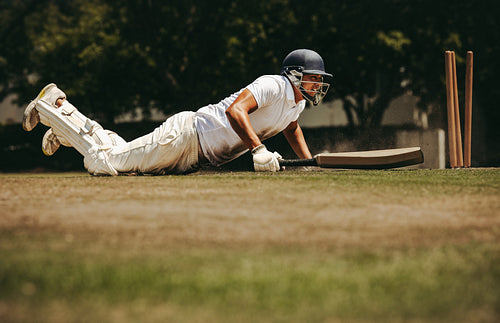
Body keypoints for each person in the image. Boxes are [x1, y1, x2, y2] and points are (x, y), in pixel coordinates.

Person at [23, 49, 332, 175]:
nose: (317, 84)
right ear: (294, 73)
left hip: (193, 155)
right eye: (314, 78)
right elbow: (237, 112)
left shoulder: (297, 102)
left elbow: (292, 129)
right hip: (186, 136)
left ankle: (65, 130)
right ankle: (54, 104)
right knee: (103, 164)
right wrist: (259, 150)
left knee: (120, 154)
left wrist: (307, 165)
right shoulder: (274, 85)